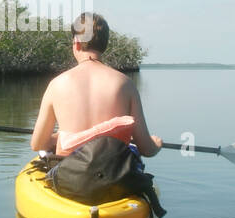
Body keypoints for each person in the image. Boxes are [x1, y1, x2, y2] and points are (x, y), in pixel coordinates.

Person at [30, 13, 162, 157]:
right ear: (105, 45)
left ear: (76, 42)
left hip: (71, 173)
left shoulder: (56, 85)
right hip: (112, 171)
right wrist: (156, 144)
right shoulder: (125, 84)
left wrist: (60, 137)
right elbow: (146, 149)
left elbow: (38, 144)